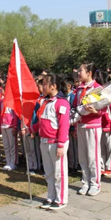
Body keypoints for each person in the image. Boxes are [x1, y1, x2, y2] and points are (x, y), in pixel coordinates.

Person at [35, 73, 70, 210]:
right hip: (44, 140)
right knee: (49, 172)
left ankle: (61, 198)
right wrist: (31, 129)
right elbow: (41, 121)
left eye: (45, 84)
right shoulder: (45, 102)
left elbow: (63, 125)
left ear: (53, 86)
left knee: (58, 173)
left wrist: (61, 144)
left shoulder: (61, 103)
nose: (42, 87)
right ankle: (50, 196)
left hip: (56, 142)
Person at [72, 63, 103, 196]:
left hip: (93, 125)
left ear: (89, 73)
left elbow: (103, 109)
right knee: (83, 156)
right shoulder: (79, 89)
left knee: (92, 156)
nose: (79, 73)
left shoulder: (97, 88)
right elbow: (75, 108)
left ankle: (95, 183)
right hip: (80, 125)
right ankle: (85, 181)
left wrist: (95, 111)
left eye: (81, 71)